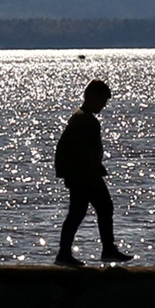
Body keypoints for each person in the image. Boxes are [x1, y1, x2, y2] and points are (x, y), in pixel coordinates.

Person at [53, 79, 132, 267]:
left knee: (77, 213)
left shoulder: (79, 117)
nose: (104, 105)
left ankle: (64, 253)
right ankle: (107, 250)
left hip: (79, 174)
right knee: (104, 208)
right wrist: (93, 173)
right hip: (85, 176)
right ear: (92, 97)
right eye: (103, 100)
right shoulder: (85, 120)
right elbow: (83, 152)